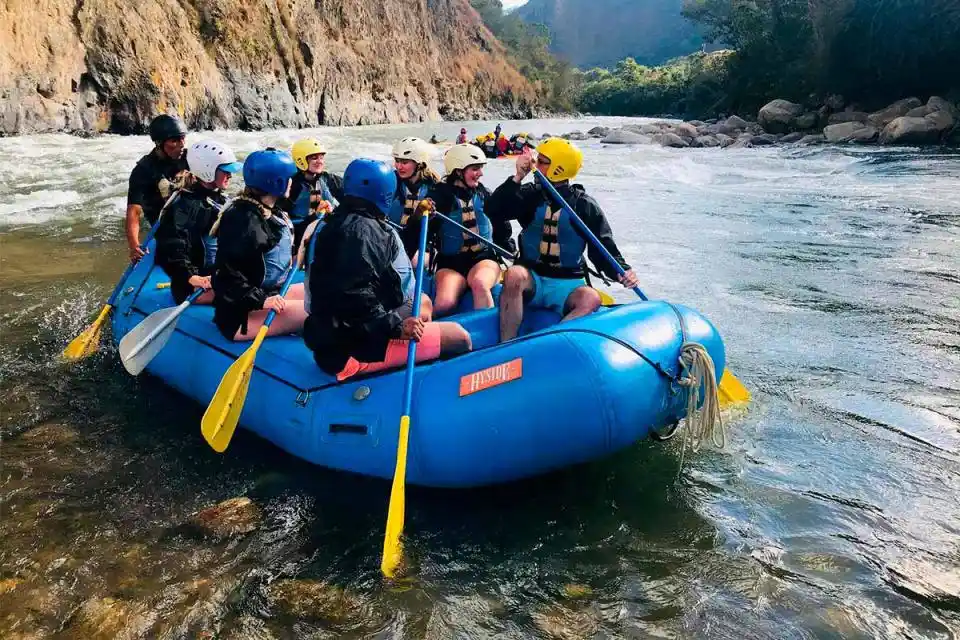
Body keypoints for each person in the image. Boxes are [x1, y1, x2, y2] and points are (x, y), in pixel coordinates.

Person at [302, 158, 472, 381]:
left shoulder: (333, 220)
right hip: (353, 346)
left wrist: (418, 220)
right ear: (384, 192)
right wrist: (397, 328)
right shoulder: (363, 232)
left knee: (423, 304)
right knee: (461, 338)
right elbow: (353, 294)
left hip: (334, 334)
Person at [488, 138, 639, 342]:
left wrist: (622, 271)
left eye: (541, 161)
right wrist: (517, 178)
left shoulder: (584, 205)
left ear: (558, 169)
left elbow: (602, 247)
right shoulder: (532, 195)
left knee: (591, 297)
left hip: (566, 284)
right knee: (514, 274)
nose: (534, 164)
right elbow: (494, 210)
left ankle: (549, 343)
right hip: (533, 278)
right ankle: (507, 345)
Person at [211, 149, 307, 341]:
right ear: (276, 182)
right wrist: (262, 300)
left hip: (267, 293)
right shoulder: (245, 221)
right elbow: (226, 277)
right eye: (288, 178)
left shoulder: (268, 210)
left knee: (323, 294)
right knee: (323, 313)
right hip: (241, 315)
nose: (292, 182)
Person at [415, 144, 507, 317]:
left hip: (483, 258)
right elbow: (423, 233)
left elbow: (501, 226)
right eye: (475, 169)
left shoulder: (484, 194)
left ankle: (489, 335)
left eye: (480, 168)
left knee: (480, 283)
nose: (480, 173)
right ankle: (431, 334)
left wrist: (509, 248)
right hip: (451, 263)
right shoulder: (438, 198)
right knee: (445, 303)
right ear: (458, 171)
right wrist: (424, 215)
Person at [154, 140, 242, 305]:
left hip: (216, 276)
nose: (230, 175)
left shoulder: (219, 198)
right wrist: (190, 276)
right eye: (225, 171)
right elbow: (171, 246)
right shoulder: (185, 205)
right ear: (208, 170)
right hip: (193, 285)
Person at [125, 114, 190, 262]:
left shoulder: (190, 158)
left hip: (192, 219)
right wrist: (134, 245)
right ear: (159, 143)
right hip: (166, 229)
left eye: (182, 139)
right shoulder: (143, 170)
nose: (181, 145)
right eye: (174, 140)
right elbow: (134, 211)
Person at [283, 138, 344, 253]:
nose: (320, 161)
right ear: (301, 160)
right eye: (314, 158)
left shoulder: (328, 179)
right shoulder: (293, 186)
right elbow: (282, 216)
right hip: (300, 232)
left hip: (324, 227)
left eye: (321, 157)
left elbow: (349, 198)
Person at [388, 137, 441, 263]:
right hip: (390, 239)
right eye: (397, 161)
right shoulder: (390, 180)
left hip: (421, 246)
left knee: (412, 260)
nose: (399, 166)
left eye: (404, 162)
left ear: (420, 164)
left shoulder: (436, 188)